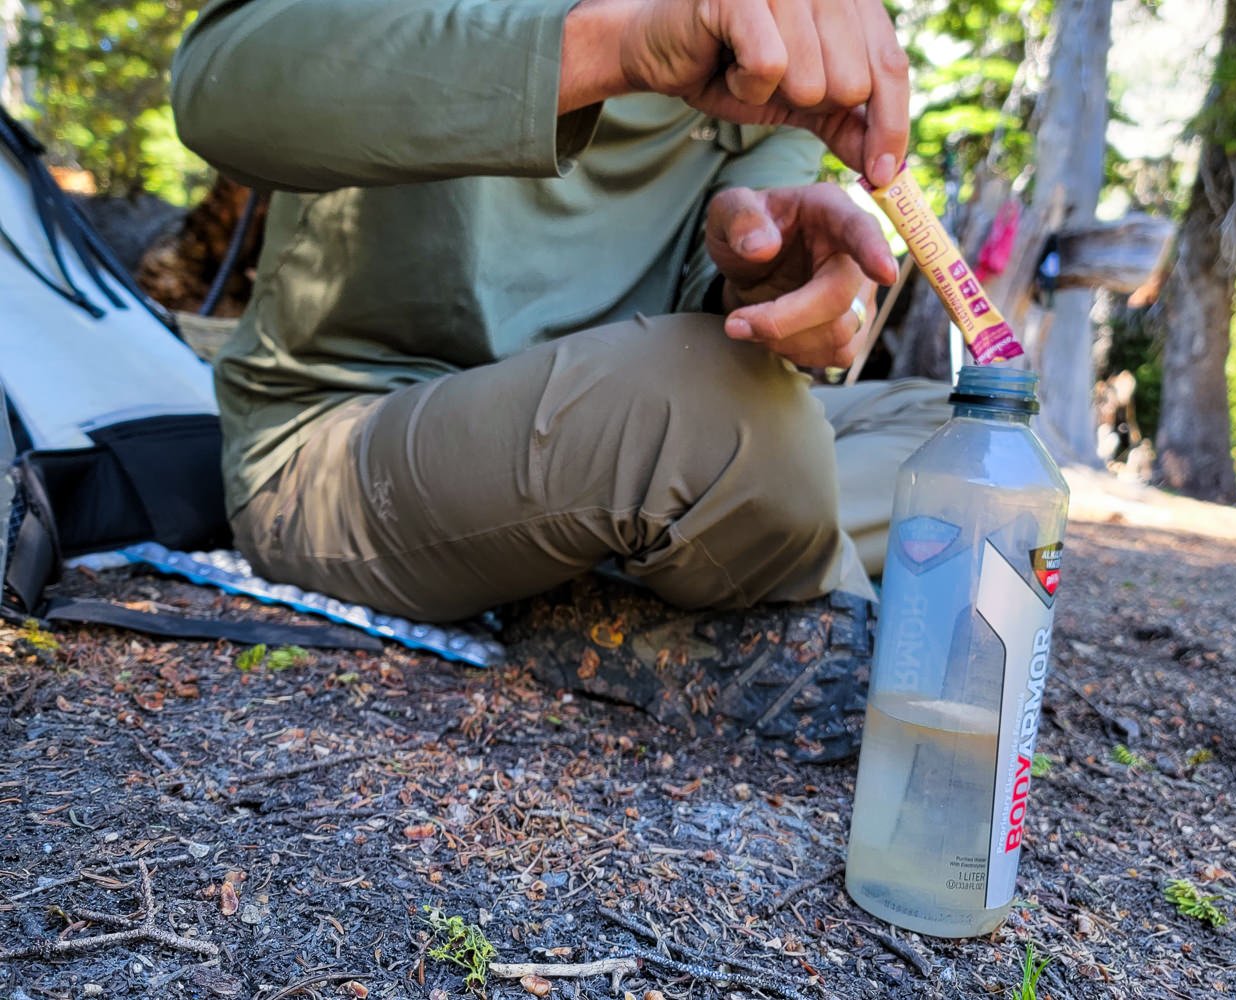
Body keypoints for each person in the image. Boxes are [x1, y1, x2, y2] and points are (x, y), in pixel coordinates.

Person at [171, 0, 952, 759]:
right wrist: (618, 47)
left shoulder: (765, 46)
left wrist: (758, 281)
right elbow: (220, 85)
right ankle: (786, 602)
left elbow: (719, 284)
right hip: (337, 445)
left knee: (966, 440)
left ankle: (620, 568)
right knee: (712, 417)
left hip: (612, 424)